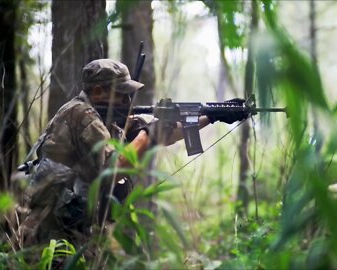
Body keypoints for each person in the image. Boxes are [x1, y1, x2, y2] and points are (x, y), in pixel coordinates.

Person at [17, 58, 249, 249]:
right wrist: (148, 134)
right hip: (49, 234)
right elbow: (114, 166)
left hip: (71, 229)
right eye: (122, 94)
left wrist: (212, 116)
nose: (128, 101)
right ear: (98, 91)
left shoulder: (107, 119)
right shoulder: (82, 116)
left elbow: (163, 135)